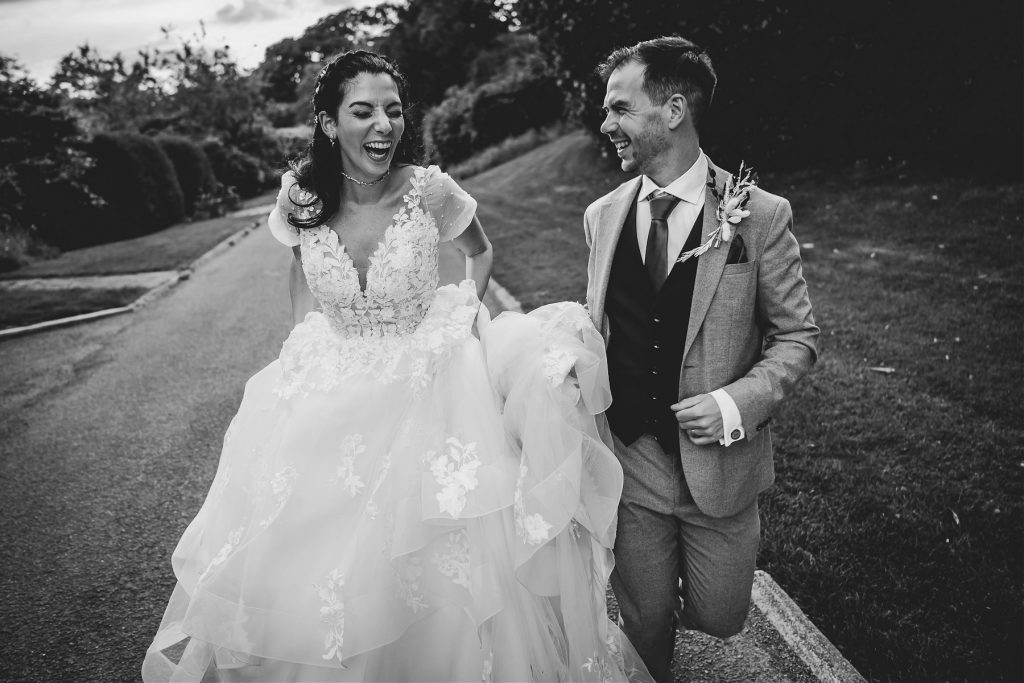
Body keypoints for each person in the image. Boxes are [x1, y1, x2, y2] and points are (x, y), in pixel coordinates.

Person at [143, 50, 650, 682]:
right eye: (363, 112)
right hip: (332, 382)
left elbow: (480, 251)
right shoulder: (301, 197)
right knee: (308, 553)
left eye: (393, 110)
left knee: (430, 561)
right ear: (330, 124)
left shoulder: (429, 190)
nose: (384, 125)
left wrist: (464, 311)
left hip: (425, 383)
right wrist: (302, 346)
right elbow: (301, 275)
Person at [583, 37, 819, 681]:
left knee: (720, 616)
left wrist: (731, 404)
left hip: (719, 468)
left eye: (620, 108)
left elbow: (798, 337)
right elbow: (601, 326)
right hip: (632, 460)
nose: (607, 124)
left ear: (674, 109)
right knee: (645, 619)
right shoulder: (601, 216)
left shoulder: (760, 216)